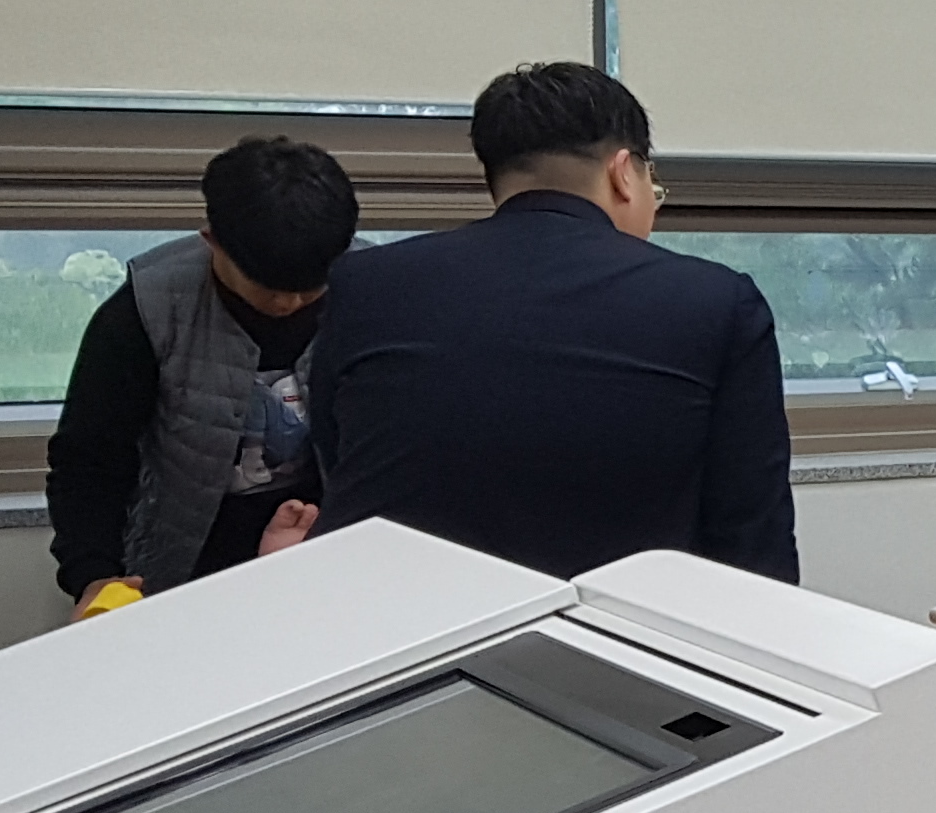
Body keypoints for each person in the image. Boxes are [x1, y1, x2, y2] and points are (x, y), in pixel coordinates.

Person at [310, 62, 794, 582]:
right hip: (614, 622)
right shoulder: (717, 302)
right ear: (623, 172)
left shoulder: (366, 284)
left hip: (394, 612)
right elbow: (752, 539)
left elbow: (338, 455)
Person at [46, 136, 360, 614]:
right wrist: (93, 574)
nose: (288, 303)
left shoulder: (371, 291)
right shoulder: (146, 309)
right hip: (181, 565)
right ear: (212, 240)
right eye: (267, 287)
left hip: (328, 556)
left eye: (310, 289)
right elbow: (88, 461)